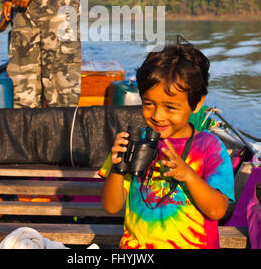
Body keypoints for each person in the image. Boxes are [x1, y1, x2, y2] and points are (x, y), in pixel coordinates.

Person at [100, 43, 235, 249]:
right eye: (148, 103)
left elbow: (217, 210)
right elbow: (111, 206)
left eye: (170, 107)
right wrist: (118, 168)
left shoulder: (210, 147)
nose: (157, 116)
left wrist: (188, 174)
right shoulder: (134, 141)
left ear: (197, 103)